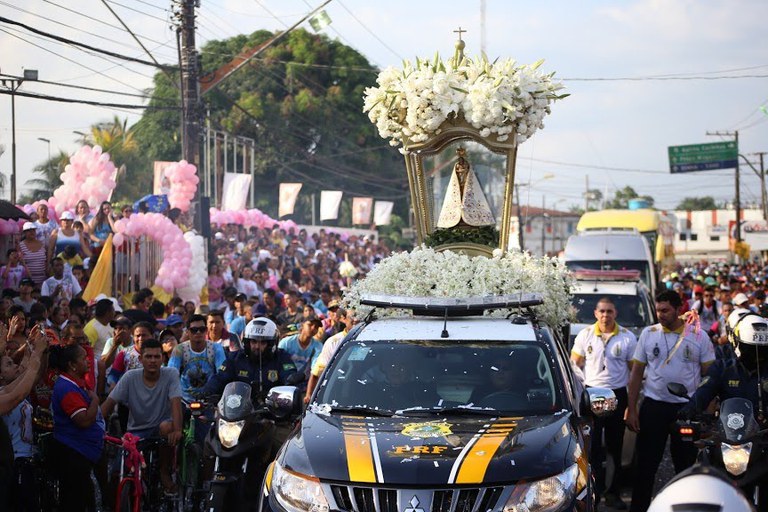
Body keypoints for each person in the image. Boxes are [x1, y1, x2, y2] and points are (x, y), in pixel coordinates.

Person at [626, 290, 716, 512]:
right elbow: (636, 373)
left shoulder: (699, 336)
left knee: (685, 467)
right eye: (658, 310)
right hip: (654, 407)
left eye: (665, 310)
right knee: (645, 466)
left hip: (686, 409)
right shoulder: (649, 334)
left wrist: (708, 410)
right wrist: (632, 408)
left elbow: (710, 376)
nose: (660, 315)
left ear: (678, 309)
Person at [571, 297, 637, 510]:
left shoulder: (627, 337)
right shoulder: (586, 334)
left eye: (609, 311)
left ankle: (613, 493)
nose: (605, 315)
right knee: (592, 448)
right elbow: (574, 364)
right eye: (602, 311)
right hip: (592, 394)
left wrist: (631, 405)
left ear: (615, 313)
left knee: (615, 447)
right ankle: (595, 493)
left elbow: (635, 371)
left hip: (617, 395)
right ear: (596, 313)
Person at [100, 339, 183, 492]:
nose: (153, 360)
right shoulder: (130, 377)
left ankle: (164, 471)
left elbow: (175, 402)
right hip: (136, 433)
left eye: (157, 357)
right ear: (140, 359)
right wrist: (96, 427)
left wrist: (177, 430)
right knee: (116, 475)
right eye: (148, 356)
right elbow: (109, 404)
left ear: (163, 359)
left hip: (161, 430)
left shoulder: (171, 374)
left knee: (167, 427)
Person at [49, 343, 105, 511]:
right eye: (83, 358)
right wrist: (95, 401)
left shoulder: (74, 384)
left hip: (81, 453)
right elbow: (84, 420)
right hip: (73, 454)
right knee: (75, 503)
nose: (88, 361)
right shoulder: (67, 388)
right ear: (72, 365)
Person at [681, 312, 768, 421]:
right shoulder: (723, 369)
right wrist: (688, 410)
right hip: (729, 428)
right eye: (750, 348)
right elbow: (704, 393)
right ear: (737, 343)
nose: (757, 355)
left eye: (763, 349)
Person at [0, 328, 48, 510]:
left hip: (22, 461)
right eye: (9, 364)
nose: (15, 366)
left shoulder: (7, 388)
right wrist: (35, 354)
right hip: (13, 463)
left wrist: (36, 350)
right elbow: (17, 395)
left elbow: (31, 378)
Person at [204, 317, 296, 403]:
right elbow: (219, 378)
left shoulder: (282, 357)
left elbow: (289, 379)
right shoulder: (236, 358)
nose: (257, 346)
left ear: (271, 344)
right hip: (238, 407)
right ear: (247, 343)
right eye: (254, 341)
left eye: (263, 342)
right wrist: (206, 392)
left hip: (272, 408)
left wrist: (277, 395)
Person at [167, 314, 226, 402]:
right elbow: (171, 374)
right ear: (187, 332)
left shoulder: (216, 348)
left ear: (206, 331)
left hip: (210, 400)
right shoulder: (179, 349)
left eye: (202, 329)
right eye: (194, 330)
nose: (198, 332)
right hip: (184, 401)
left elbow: (222, 374)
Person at [305, 309, 357, 403]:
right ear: (344, 319)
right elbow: (317, 373)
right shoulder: (333, 342)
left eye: (360, 316)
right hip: (337, 396)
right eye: (353, 316)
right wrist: (309, 396)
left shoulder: (374, 340)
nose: (356, 319)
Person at [436, 146, 495, 228]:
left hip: (465, 180)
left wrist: (463, 171)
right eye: (459, 159)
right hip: (459, 180)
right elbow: (456, 171)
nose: (460, 161)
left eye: (461, 159)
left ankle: (468, 216)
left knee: (465, 194)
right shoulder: (457, 165)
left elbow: (467, 170)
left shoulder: (466, 164)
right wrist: (459, 172)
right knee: (459, 194)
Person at [277, 318, 323, 390]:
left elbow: (315, 368)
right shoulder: (286, 342)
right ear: (302, 325)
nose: (313, 328)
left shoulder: (318, 346)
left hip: (304, 384)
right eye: (310, 324)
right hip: (284, 381)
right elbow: (277, 362)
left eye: (316, 327)